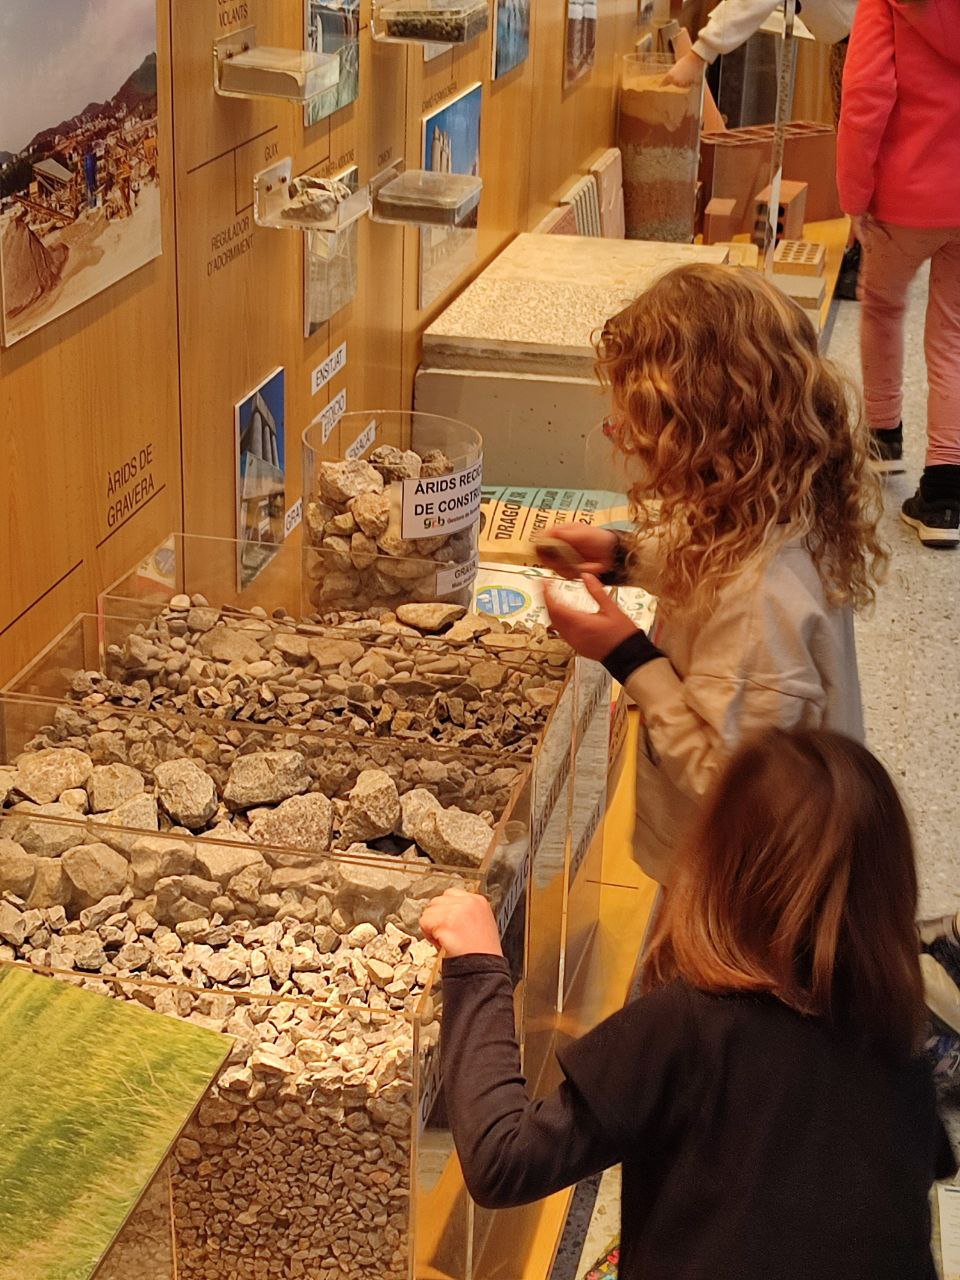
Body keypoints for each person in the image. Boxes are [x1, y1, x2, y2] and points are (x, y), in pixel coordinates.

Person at [421, 728, 955, 1280]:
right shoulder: (903, 1057)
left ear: (718, 865)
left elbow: (503, 1159)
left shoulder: (684, 1030)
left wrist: (478, 964)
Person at [537, 263, 884, 885]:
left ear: (699, 431)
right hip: (740, 864)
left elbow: (727, 782)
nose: (622, 436)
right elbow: (720, 557)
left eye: (639, 423)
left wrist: (628, 656)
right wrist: (624, 556)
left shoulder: (764, 601)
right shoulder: (784, 504)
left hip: (744, 888)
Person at [836, 0, 960, 546]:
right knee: (953, 336)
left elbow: (866, 97)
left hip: (903, 196)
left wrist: (854, 194)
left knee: (883, 307)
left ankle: (883, 439)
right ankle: (945, 496)